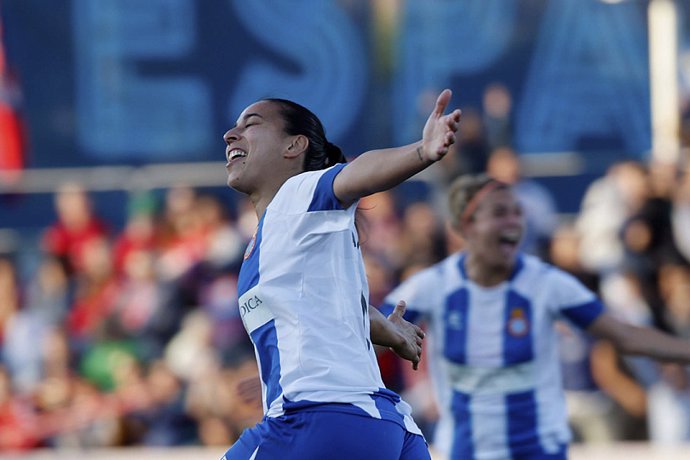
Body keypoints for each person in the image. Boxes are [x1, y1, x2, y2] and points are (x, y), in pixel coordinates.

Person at [220, 89, 462, 459]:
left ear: (294, 146)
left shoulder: (295, 194)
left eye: (251, 124)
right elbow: (331, 307)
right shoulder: (288, 234)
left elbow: (354, 176)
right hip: (388, 426)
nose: (230, 135)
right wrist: (390, 331)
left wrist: (420, 151)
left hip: (316, 418)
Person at [379, 173, 690, 460]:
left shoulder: (546, 284)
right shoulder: (432, 286)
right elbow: (369, 330)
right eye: (500, 213)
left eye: (518, 213)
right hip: (466, 451)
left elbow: (626, 335)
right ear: (467, 225)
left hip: (539, 451)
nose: (514, 223)